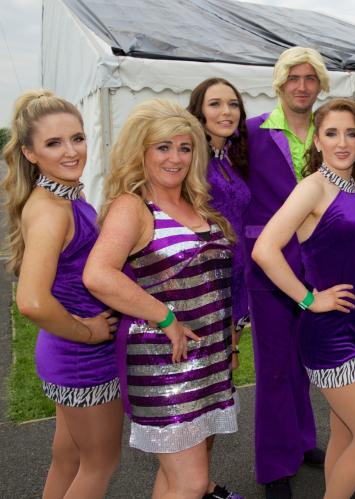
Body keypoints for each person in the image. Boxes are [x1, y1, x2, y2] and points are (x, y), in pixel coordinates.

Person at [83, 99, 239, 499]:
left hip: (208, 356)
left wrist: (230, 341)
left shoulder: (195, 202)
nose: (176, 158)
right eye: (163, 147)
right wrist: (164, 317)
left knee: (175, 480)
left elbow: (213, 282)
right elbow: (98, 275)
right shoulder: (132, 206)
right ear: (141, 151)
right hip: (165, 364)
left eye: (185, 148)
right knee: (191, 482)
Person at [253, 98, 355, 499]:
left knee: (345, 433)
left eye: (351, 133)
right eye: (331, 133)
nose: (342, 142)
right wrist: (308, 300)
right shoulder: (312, 188)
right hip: (331, 335)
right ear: (317, 140)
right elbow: (264, 250)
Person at [1, 90, 122, 499]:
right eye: (54, 143)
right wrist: (88, 332)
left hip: (69, 353)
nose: (71, 151)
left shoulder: (68, 196)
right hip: (81, 357)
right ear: (30, 153)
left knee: (68, 459)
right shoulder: (50, 210)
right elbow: (31, 301)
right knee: (99, 465)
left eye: (77, 138)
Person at [243, 46, 328, 499]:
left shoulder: (329, 130)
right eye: (293, 78)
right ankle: (274, 464)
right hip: (269, 264)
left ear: (320, 85)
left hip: (318, 259)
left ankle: (301, 439)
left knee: (304, 359)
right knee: (274, 368)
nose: (302, 86)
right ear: (279, 83)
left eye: (310, 78)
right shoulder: (251, 132)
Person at [187, 78, 250, 499]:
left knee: (216, 393)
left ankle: (201, 484)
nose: (226, 111)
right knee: (199, 398)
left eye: (233, 104)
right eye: (215, 104)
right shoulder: (191, 159)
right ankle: (192, 485)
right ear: (199, 111)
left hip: (234, 287)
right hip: (204, 289)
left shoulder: (228, 157)